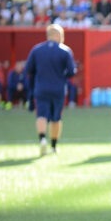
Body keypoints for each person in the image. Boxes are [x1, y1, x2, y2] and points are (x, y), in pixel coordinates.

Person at [24, 24, 76, 155]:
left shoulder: (37, 50)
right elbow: (71, 71)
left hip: (41, 88)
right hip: (58, 88)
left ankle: (42, 140)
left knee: (41, 115)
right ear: (58, 35)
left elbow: (28, 69)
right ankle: (53, 146)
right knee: (56, 118)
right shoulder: (65, 51)